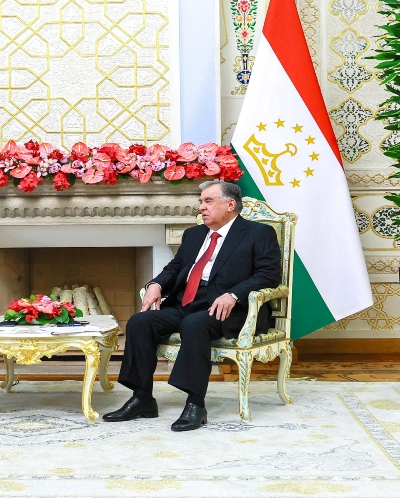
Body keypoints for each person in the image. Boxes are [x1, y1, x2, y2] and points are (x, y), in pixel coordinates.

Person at [104, 179, 281, 431]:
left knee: (194, 324)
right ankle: (142, 398)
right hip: (187, 301)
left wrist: (234, 294)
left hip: (228, 308)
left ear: (230, 204)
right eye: (201, 202)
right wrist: (156, 284)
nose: (202, 208)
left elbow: (269, 274)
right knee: (140, 322)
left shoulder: (258, 233)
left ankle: (195, 404)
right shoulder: (194, 234)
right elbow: (175, 268)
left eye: (208, 201)